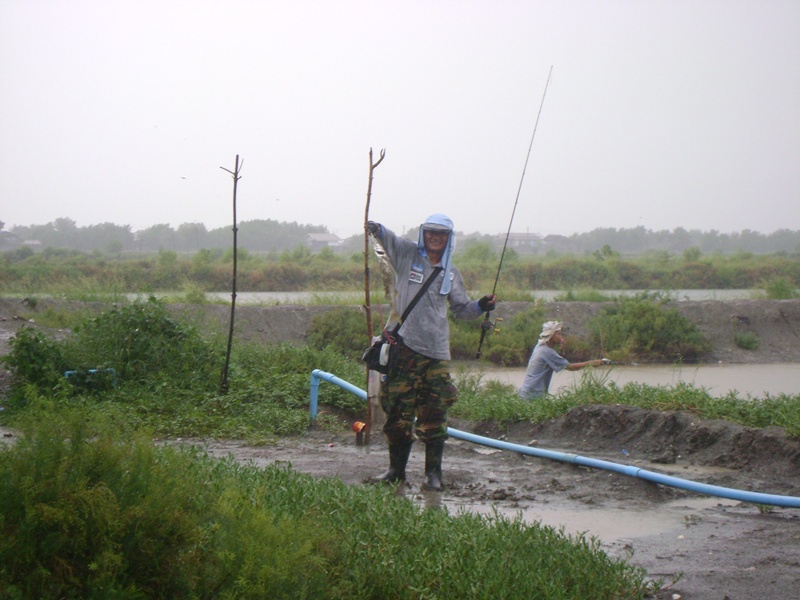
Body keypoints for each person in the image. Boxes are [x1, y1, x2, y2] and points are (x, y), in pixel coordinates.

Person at [366, 214, 496, 491]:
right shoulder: (407, 255)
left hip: (437, 354)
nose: (436, 237)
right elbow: (387, 238)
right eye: (431, 232)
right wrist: (375, 228)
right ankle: (395, 471)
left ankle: (433, 475)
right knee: (398, 412)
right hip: (404, 349)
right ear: (424, 233)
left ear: (449, 238)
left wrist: (481, 305)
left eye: (442, 234)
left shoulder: (451, 272)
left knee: (435, 413)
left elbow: (462, 310)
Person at [518, 321, 608, 400]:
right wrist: (591, 363)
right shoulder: (547, 352)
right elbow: (570, 367)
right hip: (533, 395)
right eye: (559, 334)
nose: (561, 337)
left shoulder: (540, 346)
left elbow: (557, 361)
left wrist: (561, 350)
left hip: (527, 392)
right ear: (551, 335)